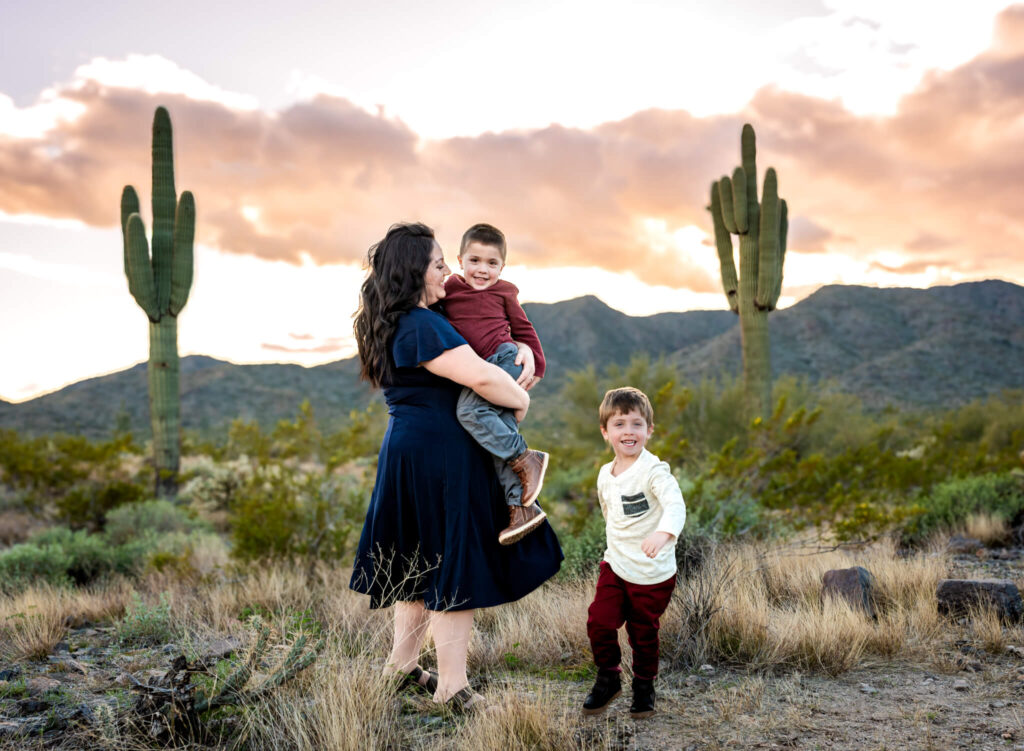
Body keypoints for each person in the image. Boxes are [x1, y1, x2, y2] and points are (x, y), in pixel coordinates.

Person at [348, 222, 563, 712]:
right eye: (439, 263)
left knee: (417, 562)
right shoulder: (422, 325)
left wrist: (520, 347)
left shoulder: (400, 320)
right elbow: (483, 379)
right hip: (441, 454)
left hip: (411, 451)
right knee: (453, 562)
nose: (448, 271)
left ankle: (401, 668)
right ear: (415, 271)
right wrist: (520, 400)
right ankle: (452, 688)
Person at [582, 387, 686, 719]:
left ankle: (644, 686)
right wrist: (616, 547)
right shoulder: (605, 474)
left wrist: (663, 533)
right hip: (615, 564)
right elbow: (609, 514)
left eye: (637, 424)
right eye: (619, 424)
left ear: (649, 430)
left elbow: (675, 505)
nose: (629, 431)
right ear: (605, 432)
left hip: (652, 573)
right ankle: (609, 677)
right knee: (599, 621)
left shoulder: (654, 471)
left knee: (643, 634)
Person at [443, 223, 549, 545]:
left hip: (502, 361)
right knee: (496, 436)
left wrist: (535, 365)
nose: (482, 270)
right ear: (460, 260)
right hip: (479, 369)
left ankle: (526, 457)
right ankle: (521, 508)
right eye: (474, 260)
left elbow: (524, 329)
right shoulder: (450, 289)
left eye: (492, 263)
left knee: (469, 412)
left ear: (502, 267)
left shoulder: (505, 292)